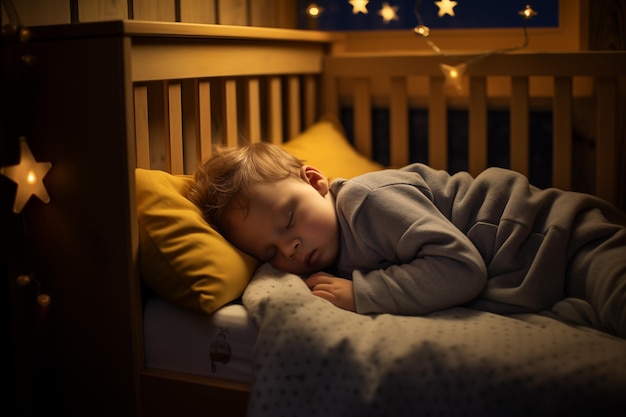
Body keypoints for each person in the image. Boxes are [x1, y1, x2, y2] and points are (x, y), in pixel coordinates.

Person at [188, 142, 626, 338]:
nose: (290, 249)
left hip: (565, 240)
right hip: (546, 270)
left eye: (288, 221)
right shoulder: (326, 249)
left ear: (317, 182)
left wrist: (365, 294)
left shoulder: (366, 200)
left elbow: (461, 269)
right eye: (270, 252)